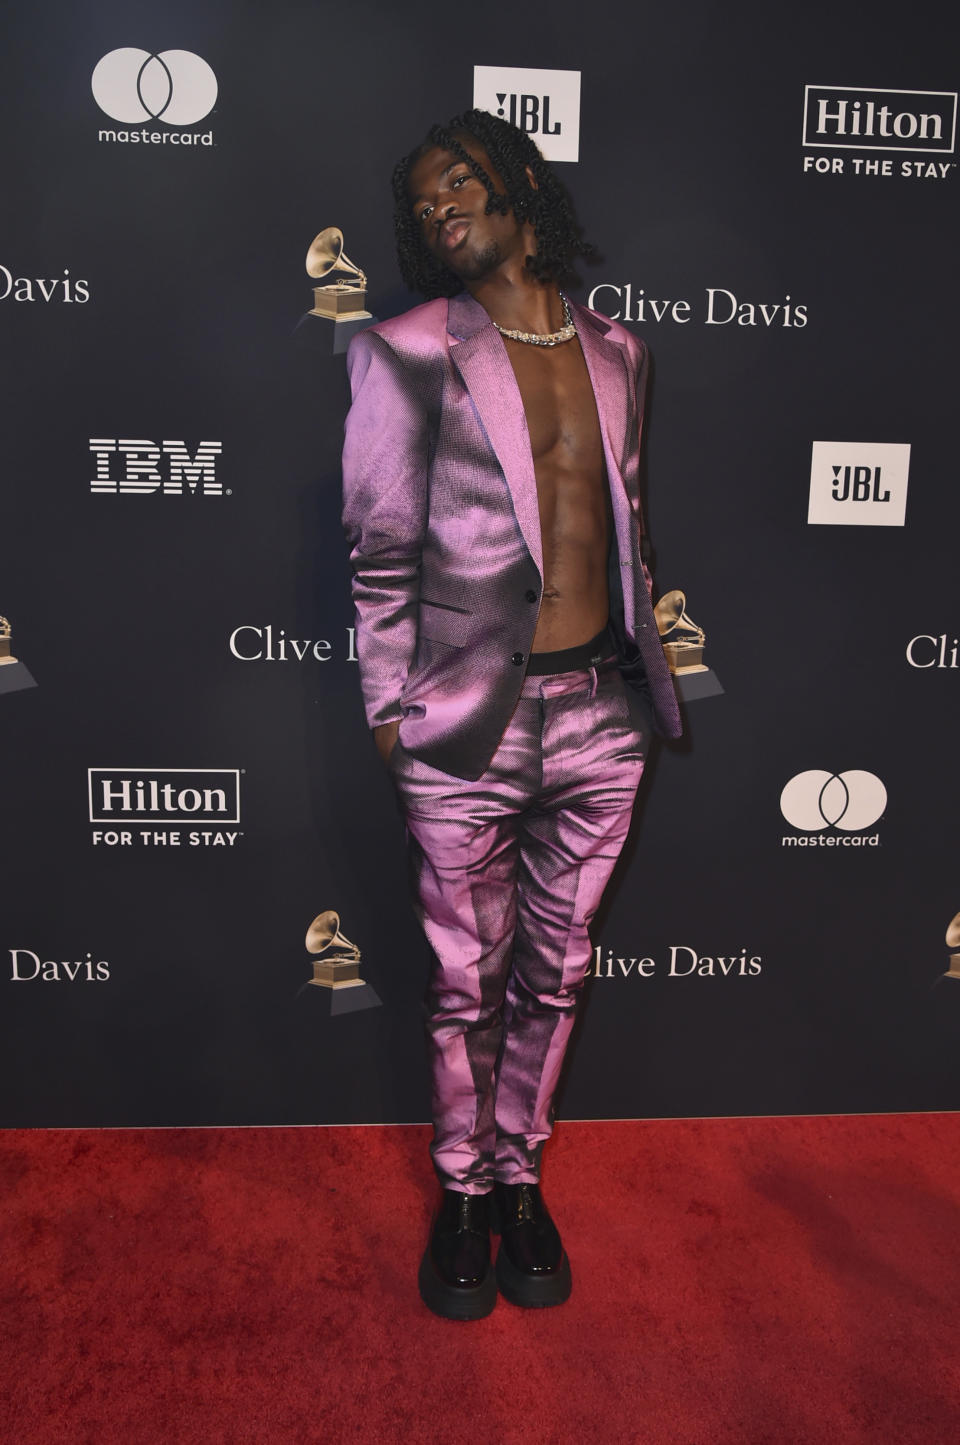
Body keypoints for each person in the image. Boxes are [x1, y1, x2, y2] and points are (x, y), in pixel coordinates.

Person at [341, 109, 681, 1320]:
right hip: (464, 729)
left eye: (461, 183)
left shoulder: (621, 351)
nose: (441, 209)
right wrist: (393, 712)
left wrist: (642, 689)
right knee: (460, 984)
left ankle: (520, 1175)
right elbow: (380, 551)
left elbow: (620, 527)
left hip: (601, 712)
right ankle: (462, 1190)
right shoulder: (404, 349)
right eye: (423, 202)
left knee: (558, 973)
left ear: (520, 182)